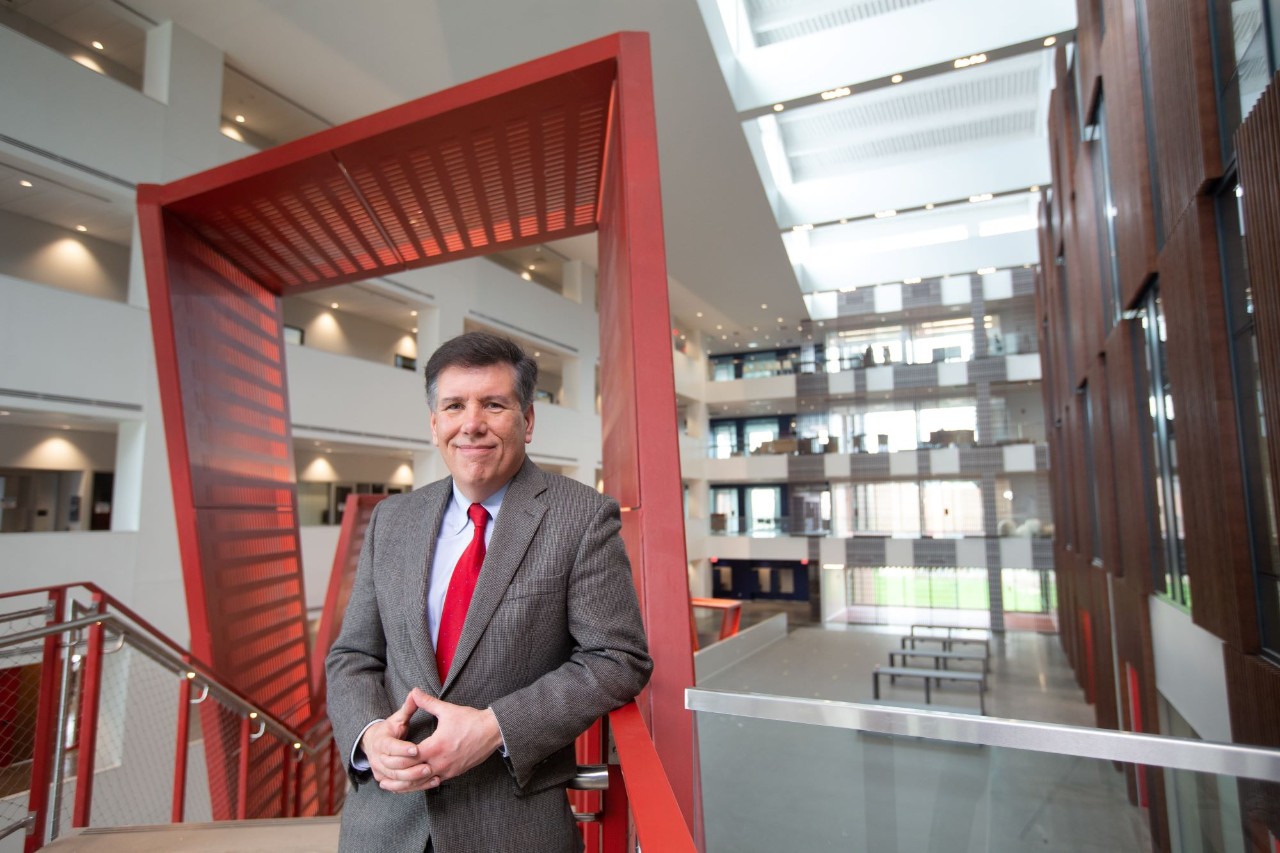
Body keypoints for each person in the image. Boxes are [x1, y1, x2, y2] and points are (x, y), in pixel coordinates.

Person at [326, 332, 652, 853]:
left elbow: (618, 658)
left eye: (493, 404)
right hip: (386, 823)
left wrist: (494, 728)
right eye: (454, 406)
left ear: (526, 421)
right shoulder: (393, 520)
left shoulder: (582, 517)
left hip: (511, 825)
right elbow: (354, 655)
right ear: (435, 425)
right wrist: (368, 735)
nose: (471, 423)